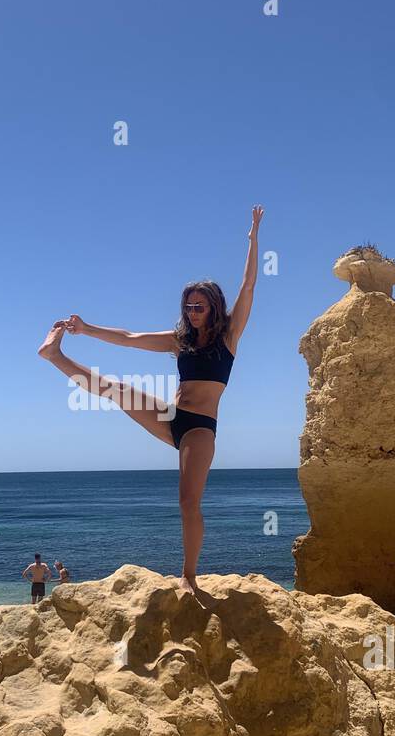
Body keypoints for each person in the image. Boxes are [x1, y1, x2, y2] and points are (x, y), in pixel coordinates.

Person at [38, 204, 263, 595]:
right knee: (114, 390)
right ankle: (56, 355)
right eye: (188, 307)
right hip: (171, 416)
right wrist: (86, 328)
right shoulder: (181, 341)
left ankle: (189, 576)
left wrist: (253, 237)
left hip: (199, 430)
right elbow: (129, 337)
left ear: (214, 307)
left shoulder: (229, 337)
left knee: (187, 502)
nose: (193, 313)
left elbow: (248, 286)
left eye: (200, 306)